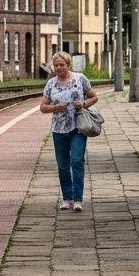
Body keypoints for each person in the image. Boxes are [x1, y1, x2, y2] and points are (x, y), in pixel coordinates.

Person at [40, 51, 99, 212]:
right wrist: (54, 107)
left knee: (77, 161)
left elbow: (94, 97)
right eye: (56, 65)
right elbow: (42, 107)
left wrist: (84, 103)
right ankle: (67, 198)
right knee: (63, 166)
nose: (59, 68)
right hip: (58, 129)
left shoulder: (80, 79)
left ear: (68, 65)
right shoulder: (51, 84)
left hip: (78, 127)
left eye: (62, 65)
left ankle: (78, 199)